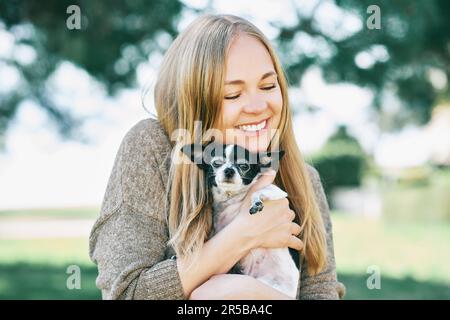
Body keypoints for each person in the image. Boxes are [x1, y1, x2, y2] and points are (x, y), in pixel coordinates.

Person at [89, 13, 345, 300]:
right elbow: (126, 295)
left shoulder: (301, 177)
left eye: (268, 86)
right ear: (196, 100)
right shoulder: (154, 148)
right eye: (233, 94)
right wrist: (246, 232)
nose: (258, 105)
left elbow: (321, 291)